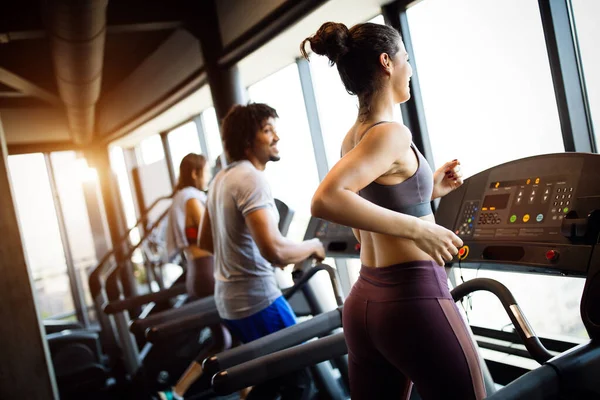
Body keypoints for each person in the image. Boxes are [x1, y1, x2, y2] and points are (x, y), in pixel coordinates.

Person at [302, 22, 486, 400]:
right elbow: (326, 199)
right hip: (410, 301)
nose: (411, 68)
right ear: (387, 62)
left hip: (366, 303)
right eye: (406, 58)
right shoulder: (392, 133)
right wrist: (420, 230)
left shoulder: (354, 136)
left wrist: (426, 188)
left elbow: (366, 213)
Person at [198, 103, 326, 399]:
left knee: (274, 378)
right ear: (247, 141)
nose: (276, 137)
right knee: (299, 381)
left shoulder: (220, 179)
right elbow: (276, 252)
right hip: (258, 302)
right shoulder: (251, 179)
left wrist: (246, 255)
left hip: (230, 304)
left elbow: (206, 241)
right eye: (267, 130)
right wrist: (315, 246)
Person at [160, 153, 231, 400]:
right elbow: (213, 234)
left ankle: (177, 392)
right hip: (206, 271)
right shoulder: (191, 199)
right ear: (194, 173)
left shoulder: (179, 199)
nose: (208, 176)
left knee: (224, 339)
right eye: (205, 171)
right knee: (233, 334)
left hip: (195, 272)